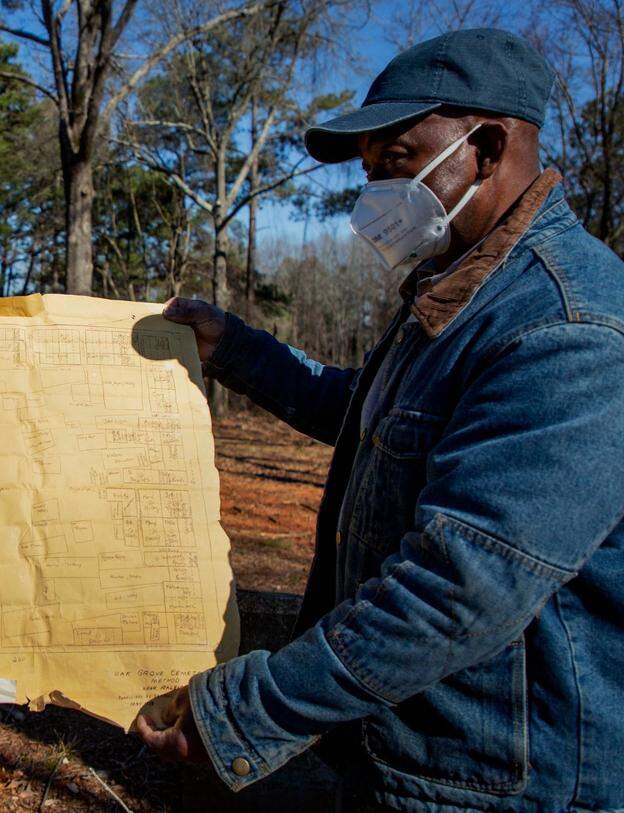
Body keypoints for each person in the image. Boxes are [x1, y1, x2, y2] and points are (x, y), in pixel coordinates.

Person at [139, 29, 624, 812]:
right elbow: (370, 417)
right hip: (407, 748)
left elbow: (457, 590)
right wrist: (231, 346)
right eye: (367, 171)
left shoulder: (569, 332)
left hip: (503, 780)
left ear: (489, 147)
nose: (374, 194)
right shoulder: (454, 292)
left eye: (395, 161)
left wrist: (245, 710)